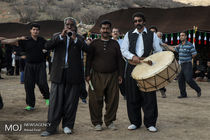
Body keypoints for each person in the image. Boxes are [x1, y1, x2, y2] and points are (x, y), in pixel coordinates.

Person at [41, 17, 89, 136]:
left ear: (75, 27)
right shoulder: (57, 36)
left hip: (74, 74)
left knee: (71, 102)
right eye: (67, 24)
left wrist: (75, 39)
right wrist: (60, 37)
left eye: (71, 25)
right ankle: (51, 128)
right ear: (64, 26)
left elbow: (87, 49)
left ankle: (68, 125)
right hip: (58, 74)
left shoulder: (79, 37)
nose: (69, 27)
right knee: (55, 102)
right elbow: (47, 46)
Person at [121, 12, 162, 132]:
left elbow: (158, 51)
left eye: (139, 21)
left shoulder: (152, 35)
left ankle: (150, 123)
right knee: (132, 95)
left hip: (147, 68)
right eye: (135, 21)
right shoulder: (129, 34)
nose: (137, 23)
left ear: (144, 21)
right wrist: (132, 56)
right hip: (132, 66)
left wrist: (151, 60)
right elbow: (123, 49)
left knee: (149, 95)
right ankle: (135, 122)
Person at [85, 20, 123, 131]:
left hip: (112, 76)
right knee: (95, 100)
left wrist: (120, 75)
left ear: (110, 30)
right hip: (96, 76)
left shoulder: (115, 44)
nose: (105, 30)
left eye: (107, 28)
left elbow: (119, 60)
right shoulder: (94, 43)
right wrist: (87, 74)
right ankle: (97, 122)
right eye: (103, 28)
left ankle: (109, 121)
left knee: (112, 100)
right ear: (100, 30)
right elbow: (88, 60)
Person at [18, 23, 50, 110]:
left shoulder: (42, 40)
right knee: (29, 85)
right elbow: (19, 49)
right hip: (29, 65)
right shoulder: (25, 40)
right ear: (30, 30)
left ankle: (47, 98)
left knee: (42, 83)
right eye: (34, 29)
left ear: (39, 31)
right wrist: (22, 54)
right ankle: (30, 105)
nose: (35, 31)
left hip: (40, 65)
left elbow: (48, 48)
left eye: (37, 30)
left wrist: (45, 51)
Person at [165, 32, 201, 98]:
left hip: (187, 64)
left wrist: (190, 57)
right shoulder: (180, 45)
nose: (181, 37)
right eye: (180, 36)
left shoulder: (189, 45)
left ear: (186, 36)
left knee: (188, 79)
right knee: (180, 80)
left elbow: (194, 53)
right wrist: (166, 45)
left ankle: (198, 90)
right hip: (180, 64)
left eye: (183, 35)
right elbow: (174, 49)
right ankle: (183, 94)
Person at [149, 27, 167, 98]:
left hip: (157, 59)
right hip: (148, 59)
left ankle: (162, 90)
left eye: (154, 32)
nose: (152, 33)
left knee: (158, 75)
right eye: (151, 31)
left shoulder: (158, 39)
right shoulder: (145, 38)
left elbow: (163, 45)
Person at [112, 27, 127, 99]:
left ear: (119, 33)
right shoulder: (109, 41)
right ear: (111, 33)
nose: (115, 33)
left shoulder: (123, 41)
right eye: (114, 31)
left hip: (121, 61)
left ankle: (124, 93)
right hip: (111, 62)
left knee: (121, 77)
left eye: (116, 31)